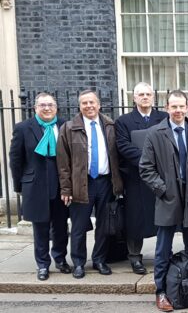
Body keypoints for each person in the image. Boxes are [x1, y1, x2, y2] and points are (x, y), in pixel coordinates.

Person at [139, 90, 188, 312]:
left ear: (187, 108)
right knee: (163, 249)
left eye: (182, 107)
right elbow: (145, 168)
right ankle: (161, 291)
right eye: (174, 107)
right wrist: (162, 190)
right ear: (167, 107)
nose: (178, 110)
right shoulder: (155, 133)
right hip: (168, 199)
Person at [56, 90, 123, 279]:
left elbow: (117, 156)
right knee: (78, 226)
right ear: (80, 106)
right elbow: (63, 162)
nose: (89, 106)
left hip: (105, 182)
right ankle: (78, 263)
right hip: (81, 183)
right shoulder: (69, 128)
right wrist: (66, 188)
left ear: (99, 105)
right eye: (84, 103)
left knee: (104, 225)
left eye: (92, 102)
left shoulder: (110, 125)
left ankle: (99, 260)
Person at [9, 93, 71, 281]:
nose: (46, 108)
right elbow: (15, 159)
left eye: (50, 105)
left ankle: (60, 259)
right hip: (35, 186)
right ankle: (42, 264)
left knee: (61, 226)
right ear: (36, 107)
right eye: (42, 105)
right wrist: (19, 185)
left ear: (56, 107)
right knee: (40, 228)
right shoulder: (23, 128)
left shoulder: (64, 125)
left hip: (61, 185)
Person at [115, 82, 168, 275]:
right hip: (136, 177)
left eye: (148, 94)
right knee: (135, 218)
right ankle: (135, 257)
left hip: (161, 176)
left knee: (163, 217)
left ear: (153, 97)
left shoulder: (164, 118)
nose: (145, 97)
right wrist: (148, 161)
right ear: (134, 98)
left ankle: (164, 254)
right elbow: (123, 146)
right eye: (141, 94)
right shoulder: (124, 121)